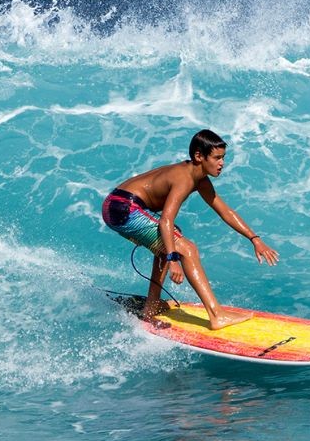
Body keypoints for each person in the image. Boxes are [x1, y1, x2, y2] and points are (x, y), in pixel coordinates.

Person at [102, 129, 279, 330]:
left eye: (223, 158)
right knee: (187, 248)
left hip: (118, 205)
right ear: (198, 156)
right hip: (123, 208)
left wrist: (254, 239)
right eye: (217, 158)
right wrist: (173, 259)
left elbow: (226, 212)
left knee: (170, 238)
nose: (222, 163)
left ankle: (150, 307)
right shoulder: (184, 178)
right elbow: (165, 221)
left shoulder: (200, 179)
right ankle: (217, 315)